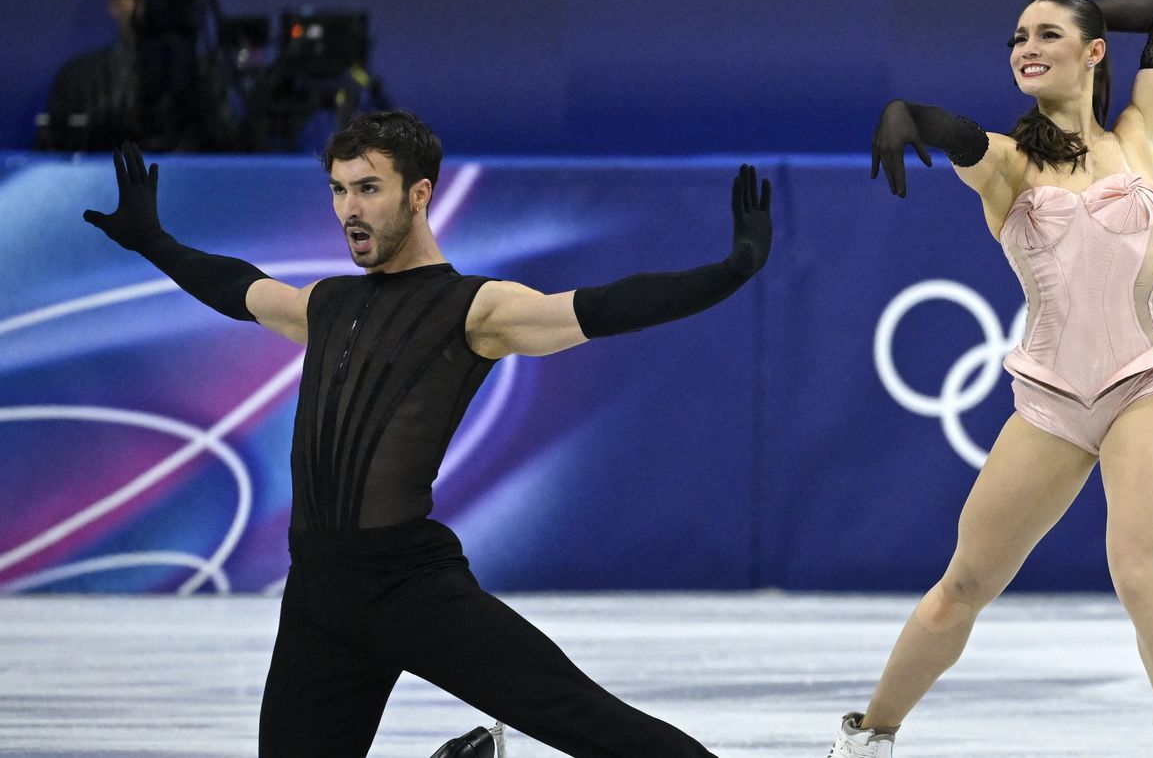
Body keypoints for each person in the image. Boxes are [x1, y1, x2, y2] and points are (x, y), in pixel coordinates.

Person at [83, 110, 772, 758]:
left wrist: (729, 270)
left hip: (410, 585)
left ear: (419, 194)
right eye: (339, 189)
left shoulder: (475, 308)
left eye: (369, 188)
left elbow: (600, 307)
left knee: (588, 719)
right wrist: (154, 240)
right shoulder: (327, 302)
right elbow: (241, 288)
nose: (349, 208)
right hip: (318, 596)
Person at [832, 0, 1153, 757]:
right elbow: (960, 136)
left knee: (1140, 574)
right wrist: (908, 112)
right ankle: (871, 735)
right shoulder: (1008, 161)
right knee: (963, 587)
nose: (1025, 46)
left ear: (1094, 51)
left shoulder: (1145, 131)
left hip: (1145, 381)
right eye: (1016, 37)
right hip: (1051, 400)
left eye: (1047, 34)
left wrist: (1091, 9)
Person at [35, 0, 146, 152]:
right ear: (113, 3)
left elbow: (219, 164)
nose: (145, 4)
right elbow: (49, 164)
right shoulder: (78, 78)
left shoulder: (199, 78)